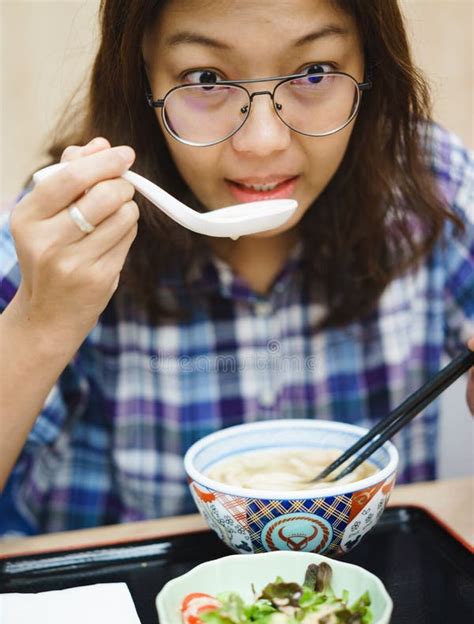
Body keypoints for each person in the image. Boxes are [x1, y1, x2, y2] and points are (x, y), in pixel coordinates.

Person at [0, 0, 472, 536]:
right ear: (143, 79)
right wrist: (38, 324)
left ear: (370, 66)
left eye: (314, 72)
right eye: (206, 78)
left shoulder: (428, 185)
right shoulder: (69, 233)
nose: (263, 142)